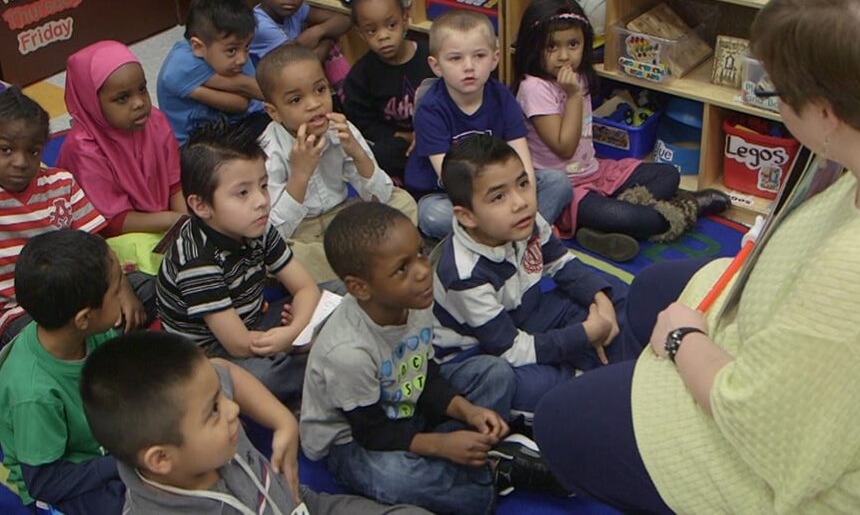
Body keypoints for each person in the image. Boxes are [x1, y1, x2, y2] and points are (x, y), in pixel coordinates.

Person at [533, 0, 860, 514]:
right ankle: (633, 397)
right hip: (793, 345)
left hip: (781, 452)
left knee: (560, 418)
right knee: (654, 289)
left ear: (827, 114)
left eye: (778, 95)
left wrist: (682, 341)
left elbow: (765, 425)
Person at [300, 202, 564, 514]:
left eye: (421, 253)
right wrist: (440, 446)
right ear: (360, 287)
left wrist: (469, 412)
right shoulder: (347, 353)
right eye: (402, 268)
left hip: (406, 404)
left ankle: (467, 456)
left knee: (495, 372)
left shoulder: (415, 300)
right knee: (392, 476)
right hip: (355, 439)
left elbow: (425, 375)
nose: (424, 271)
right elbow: (372, 431)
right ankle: (491, 473)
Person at [81, 331, 431, 515]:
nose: (232, 409)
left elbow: (225, 369)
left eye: (221, 397)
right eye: (214, 411)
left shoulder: (200, 415)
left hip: (300, 505)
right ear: (160, 459)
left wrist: (284, 423)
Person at [514, 0, 730, 260]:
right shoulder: (534, 88)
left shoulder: (577, 76)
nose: (564, 56)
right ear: (532, 46)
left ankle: (601, 227)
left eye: (573, 44)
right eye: (551, 47)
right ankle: (688, 206)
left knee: (668, 175)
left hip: (596, 171)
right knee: (636, 219)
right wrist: (571, 96)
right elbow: (565, 148)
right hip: (566, 190)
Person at [432, 134, 627, 411]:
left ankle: (606, 365)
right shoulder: (465, 275)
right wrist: (585, 334)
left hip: (528, 312)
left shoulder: (523, 220)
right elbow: (510, 350)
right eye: (498, 196)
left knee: (613, 290)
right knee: (530, 386)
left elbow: (561, 263)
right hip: (483, 352)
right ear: (467, 216)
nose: (520, 202)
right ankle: (587, 379)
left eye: (523, 184)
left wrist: (601, 302)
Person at [156, 120, 321, 404]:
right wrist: (294, 337)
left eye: (264, 185)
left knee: (340, 293)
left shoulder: (256, 224)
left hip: (258, 321)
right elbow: (238, 344)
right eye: (243, 192)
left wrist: (293, 330)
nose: (261, 201)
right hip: (217, 351)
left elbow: (307, 288)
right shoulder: (197, 260)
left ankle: (316, 356)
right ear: (201, 205)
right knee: (266, 378)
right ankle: (320, 362)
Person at [256, 43, 416, 286]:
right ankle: (369, 260)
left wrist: (358, 152)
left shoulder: (341, 129)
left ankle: (349, 265)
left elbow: (381, 195)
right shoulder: (268, 151)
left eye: (320, 90)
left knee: (403, 203)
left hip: (342, 219)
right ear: (274, 112)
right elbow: (273, 232)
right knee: (269, 253)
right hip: (300, 232)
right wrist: (300, 174)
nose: (314, 104)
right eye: (296, 99)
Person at [404, 10, 572, 240]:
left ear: (495, 59)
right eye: (455, 58)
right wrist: (494, 208)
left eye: (479, 56)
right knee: (432, 215)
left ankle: (506, 237)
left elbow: (522, 159)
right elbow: (450, 179)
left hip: (503, 189)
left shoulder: (502, 97)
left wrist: (521, 197)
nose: (469, 66)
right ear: (436, 66)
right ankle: (525, 235)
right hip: (448, 195)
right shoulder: (431, 108)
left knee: (558, 182)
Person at [0, 88, 145, 345]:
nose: (20, 162)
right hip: (23, 312)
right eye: (6, 150)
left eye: (33, 152)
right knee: (32, 343)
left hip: (86, 294)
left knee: (152, 289)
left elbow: (96, 245)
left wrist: (121, 288)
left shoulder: (61, 184)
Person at [0, 230, 125, 514]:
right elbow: (45, 482)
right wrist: (121, 462)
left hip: (103, 444)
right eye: (117, 291)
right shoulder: (34, 393)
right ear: (83, 318)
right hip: (60, 483)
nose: (123, 296)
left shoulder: (86, 333)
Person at [59, 41, 186, 237]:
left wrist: (187, 223)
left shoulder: (155, 121)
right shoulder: (83, 148)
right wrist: (174, 220)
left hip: (166, 221)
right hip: (115, 236)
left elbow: (175, 184)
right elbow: (111, 222)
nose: (138, 103)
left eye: (142, 89)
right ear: (91, 102)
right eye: (122, 98)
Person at [339, 0, 433, 179]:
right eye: (372, 30)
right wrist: (402, 135)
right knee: (379, 155)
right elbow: (361, 120)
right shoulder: (361, 75)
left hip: (435, 133)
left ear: (405, 20)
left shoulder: (431, 57)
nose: (383, 36)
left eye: (391, 25)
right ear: (361, 34)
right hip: (397, 142)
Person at [157, 0, 268, 145]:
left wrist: (196, 90)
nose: (243, 58)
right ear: (198, 47)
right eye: (231, 50)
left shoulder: (234, 54)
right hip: (194, 143)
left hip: (231, 125)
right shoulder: (181, 65)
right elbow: (242, 102)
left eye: (247, 47)